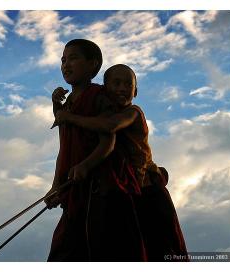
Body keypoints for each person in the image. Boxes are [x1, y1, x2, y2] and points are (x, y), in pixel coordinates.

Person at [52, 64, 188, 261]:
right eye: (116, 83)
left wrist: (69, 116)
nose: (122, 88)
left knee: (162, 251)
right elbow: (68, 138)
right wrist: (58, 106)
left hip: (149, 190)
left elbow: (110, 126)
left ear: (136, 91)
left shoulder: (133, 112)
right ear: (104, 89)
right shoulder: (99, 112)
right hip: (129, 191)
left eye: (128, 84)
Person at [45, 40, 146, 261]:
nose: (66, 64)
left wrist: (85, 165)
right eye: (63, 60)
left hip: (101, 189)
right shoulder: (69, 102)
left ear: (92, 65)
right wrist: (55, 186)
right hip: (75, 189)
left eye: (73, 58)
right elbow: (65, 149)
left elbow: (108, 142)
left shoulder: (99, 97)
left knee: (100, 250)